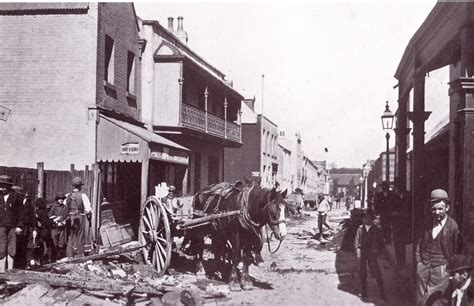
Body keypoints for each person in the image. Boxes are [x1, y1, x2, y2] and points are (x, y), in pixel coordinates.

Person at [416, 189, 459, 306]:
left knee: (434, 300)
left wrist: (450, 269)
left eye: (440, 208)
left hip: (441, 267)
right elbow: (419, 242)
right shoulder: (427, 222)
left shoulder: (453, 226)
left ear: (447, 208)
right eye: (434, 209)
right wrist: (419, 261)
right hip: (424, 265)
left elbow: (455, 251)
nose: (437, 212)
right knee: (420, 298)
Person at [354, 208, 386, 301]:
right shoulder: (360, 229)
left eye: (368, 218)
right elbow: (356, 242)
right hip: (363, 253)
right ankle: (364, 290)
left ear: (372, 219)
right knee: (363, 272)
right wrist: (358, 252)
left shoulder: (376, 230)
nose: (366, 220)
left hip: (372, 253)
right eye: (364, 218)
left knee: (376, 272)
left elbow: (381, 243)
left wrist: (378, 252)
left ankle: (382, 291)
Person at [0, 175, 24, 272]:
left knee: (12, 248)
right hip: (1, 226)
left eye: (3, 186)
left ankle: (10, 270)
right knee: (1, 248)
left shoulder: (16, 197)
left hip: (13, 226)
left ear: (8, 186)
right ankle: (2, 271)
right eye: (0, 186)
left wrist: (20, 225)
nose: (1, 188)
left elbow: (21, 212)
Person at [65, 177, 92, 258]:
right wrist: (88, 215)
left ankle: (69, 256)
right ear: (80, 186)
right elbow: (88, 209)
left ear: (73, 186)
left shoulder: (67, 196)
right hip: (79, 217)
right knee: (80, 236)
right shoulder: (83, 196)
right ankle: (79, 255)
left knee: (70, 236)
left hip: (70, 217)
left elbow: (64, 207)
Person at [48, 192, 68, 261]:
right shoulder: (54, 207)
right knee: (54, 242)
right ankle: (52, 258)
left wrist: (64, 221)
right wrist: (56, 220)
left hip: (62, 227)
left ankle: (59, 257)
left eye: (62, 199)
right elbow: (49, 216)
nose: (61, 200)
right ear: (57, 199)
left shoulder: (65, 207)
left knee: (61, 243)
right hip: (55, 227)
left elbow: (67, 216)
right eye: (59, 199)